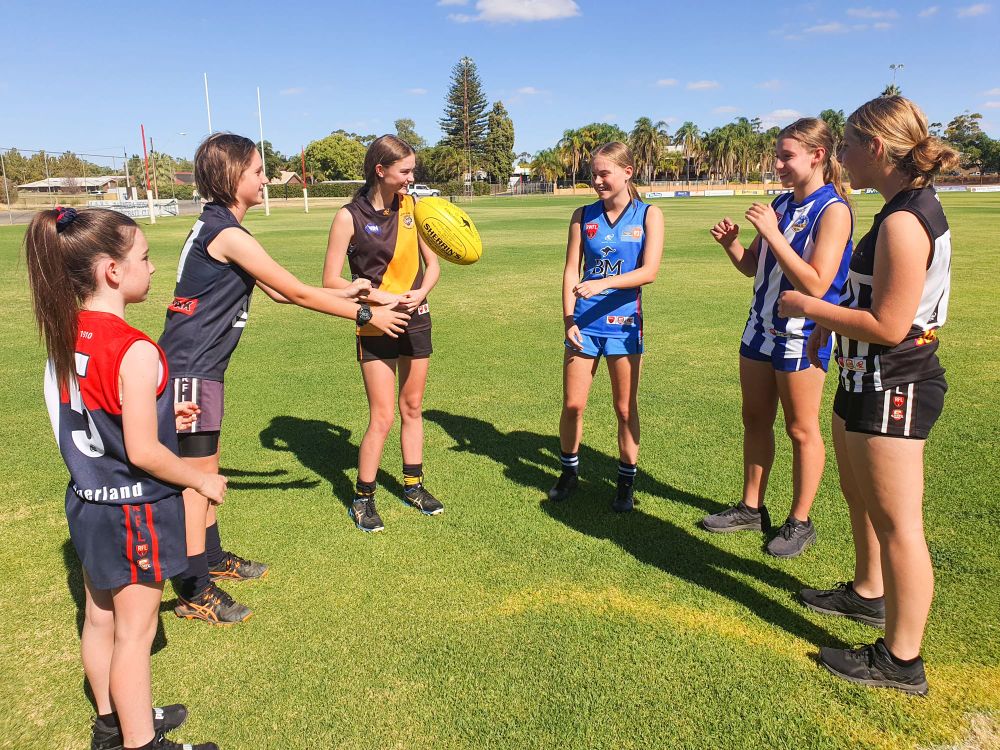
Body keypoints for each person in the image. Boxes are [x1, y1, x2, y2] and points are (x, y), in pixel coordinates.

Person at [159, 133, 408, 621]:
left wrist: (351, 293)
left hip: (201, 368)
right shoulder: (227, 235)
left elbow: (279, 291)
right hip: (192, 371)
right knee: (196, 482)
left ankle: (211, 558)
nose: (265, 180)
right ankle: (193, 589)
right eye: (257, 171)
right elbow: (294, 294)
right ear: (232, 177)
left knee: (208, 470)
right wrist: (365, 315)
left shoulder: (223, 228)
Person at [27, 207, 224, 750]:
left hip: (88, 501)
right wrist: (200, 481)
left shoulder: (64, 334)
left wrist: (160, 415)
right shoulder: (134, 348)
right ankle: (140, 742)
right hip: (133, 509)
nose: (153, 268)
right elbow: (143, 451)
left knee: (100, 620)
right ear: (112, 270)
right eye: (144, 257)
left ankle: (112, 725)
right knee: (135, 635)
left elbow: (88, 415)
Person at [782, 96, 958, 695]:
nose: (843, 158)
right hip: (862, 376)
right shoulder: (896, 209)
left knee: (899, 525)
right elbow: (870, 301)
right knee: (859, 495)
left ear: (876, 149)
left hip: (894, 382)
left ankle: (901, 660)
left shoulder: (906, 221)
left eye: (849, 146)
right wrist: (831, 326)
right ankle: (868, 592)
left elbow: (890, 324)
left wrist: (811, 309)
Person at [700, 118, 853, 557]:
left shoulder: (834, 210)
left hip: (802, 334)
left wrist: (771, 232)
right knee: (754, 419)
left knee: (800, 429)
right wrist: (732, 244)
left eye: (787, 156)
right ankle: (751, 508)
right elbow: (753, 267)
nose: (778, 165)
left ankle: (800, 521)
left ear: (817, 156)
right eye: (777, 156)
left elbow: (817, 284)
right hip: (758, 328)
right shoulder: (781, 204)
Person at [323, 135, 443, 532]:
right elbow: (330, 281)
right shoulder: (349, 216)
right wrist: (378, 298)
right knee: (383, 415)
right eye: (405, 171)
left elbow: (433, 265)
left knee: (413, 407)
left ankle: (413, 486)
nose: (411, 178)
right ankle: (363, 498)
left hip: (417, 317)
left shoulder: (415, 208)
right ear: (381, 170)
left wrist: (421, 292)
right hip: (374, 321)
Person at [548, 141, 664, 512]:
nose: (597, 181)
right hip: (584, 322)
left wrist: (603, 284)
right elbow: (571, 270)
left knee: (625, 408)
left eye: (604, 174)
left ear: (627, 173)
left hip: (625, 325)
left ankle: (625, 482)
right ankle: (569, 472)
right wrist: (568, 319)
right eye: (593, 174)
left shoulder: (649, 215)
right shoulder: (583, 215)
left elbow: (649, 271)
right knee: (573, 404)